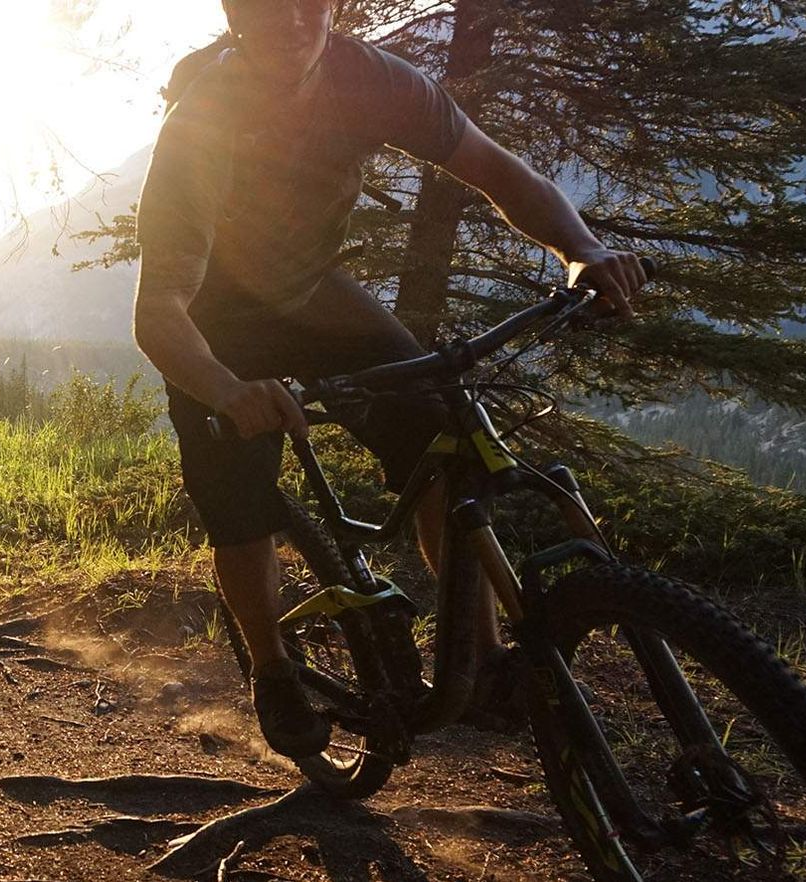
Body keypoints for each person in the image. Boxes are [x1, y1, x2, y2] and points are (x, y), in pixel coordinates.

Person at [132, 0, 649, 758]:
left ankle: (481, 660)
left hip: (310, 293)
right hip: (213, 319)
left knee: (443, 438)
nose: (291, 17)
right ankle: (273, 670)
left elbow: (496, 169)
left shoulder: (372, 80)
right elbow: (160, 310)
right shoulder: (201, 124)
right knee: (240, 505)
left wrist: (578, 247)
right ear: (235, 13)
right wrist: (224, 388)